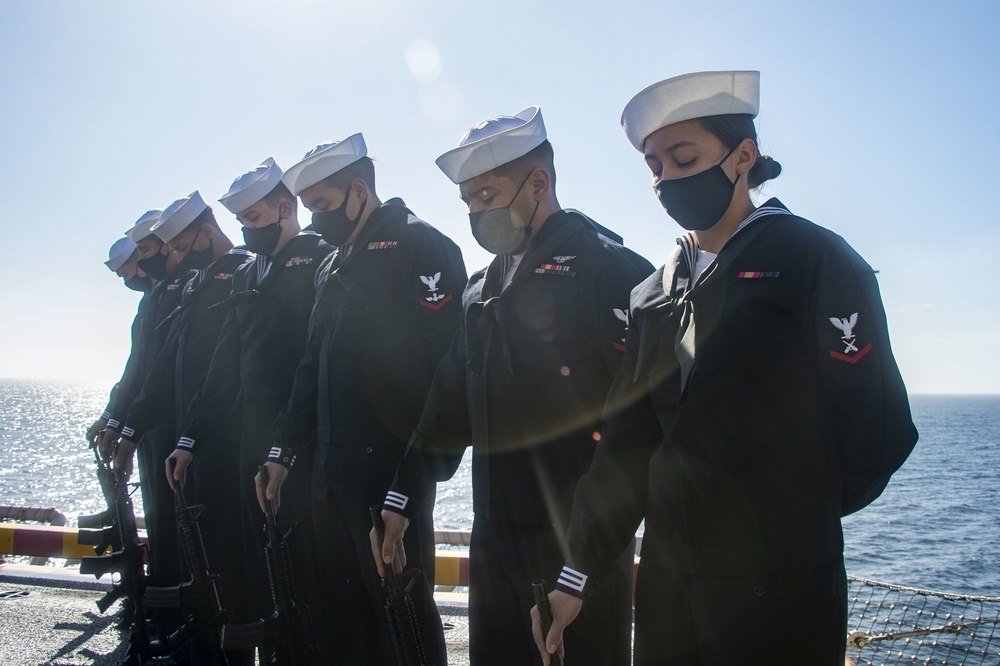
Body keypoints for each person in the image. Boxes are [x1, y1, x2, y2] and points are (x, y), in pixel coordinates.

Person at [532, 70, 918, 666]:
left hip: (781, 587)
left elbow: (877, 427)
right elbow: (626, 447)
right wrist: (575, 573)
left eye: (684, 158)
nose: (667, 180)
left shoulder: (815, 261)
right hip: (669, 585)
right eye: (655, 167)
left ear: (743, 157)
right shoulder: (653, 294)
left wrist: (791, 517)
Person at [373, 106, 654, 665]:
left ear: (538, 183)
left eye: (487, 196)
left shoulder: (614, 274)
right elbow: (447, 404)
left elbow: (637, 428)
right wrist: (402, 495)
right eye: (468, 202)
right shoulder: (480, 292)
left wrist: (583, 562)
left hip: (577, 549)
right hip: (494, 540)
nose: (477, 213)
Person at [257, 133, 466, 663]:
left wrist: (409, 487)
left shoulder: (422, 245)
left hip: (387, 470)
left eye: (321, 206)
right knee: (344, 620)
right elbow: (311, 366)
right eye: (307, 209)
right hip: (329, 471)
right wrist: (282, 450)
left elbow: (448, 375)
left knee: (402, 621)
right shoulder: (331, 262)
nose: (312, 221)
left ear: (358, 190)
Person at [165, 158, 332, 635]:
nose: (247, 230)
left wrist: (289, 442)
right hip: (252, 446)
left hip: (301, 445)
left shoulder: (320, 256)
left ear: (286, 208)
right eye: (242, 222)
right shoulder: (246, 274)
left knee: (306, 582)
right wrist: (190, 437)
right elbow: (224, 369)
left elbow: (321, 359)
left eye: (254, 219)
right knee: (265, 580)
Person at [114, 191, 253, 663]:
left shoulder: (243, 271)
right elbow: (164, 362)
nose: (172, 258)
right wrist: (131, 425)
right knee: (202, 561)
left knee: (230, 564)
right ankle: (200, 648)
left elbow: (228, 368)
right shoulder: (198, 285)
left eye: (176, 248)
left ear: (205, 234)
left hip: (228, 443)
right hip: (192, 441)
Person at [85, 237, 152, 447]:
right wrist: (112, 415)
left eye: (125, 274)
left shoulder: (165, 298)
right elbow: (135, 366)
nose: (127, 281)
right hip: (144, 416)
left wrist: (115, 420)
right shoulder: (148, 302)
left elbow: (145, 366)